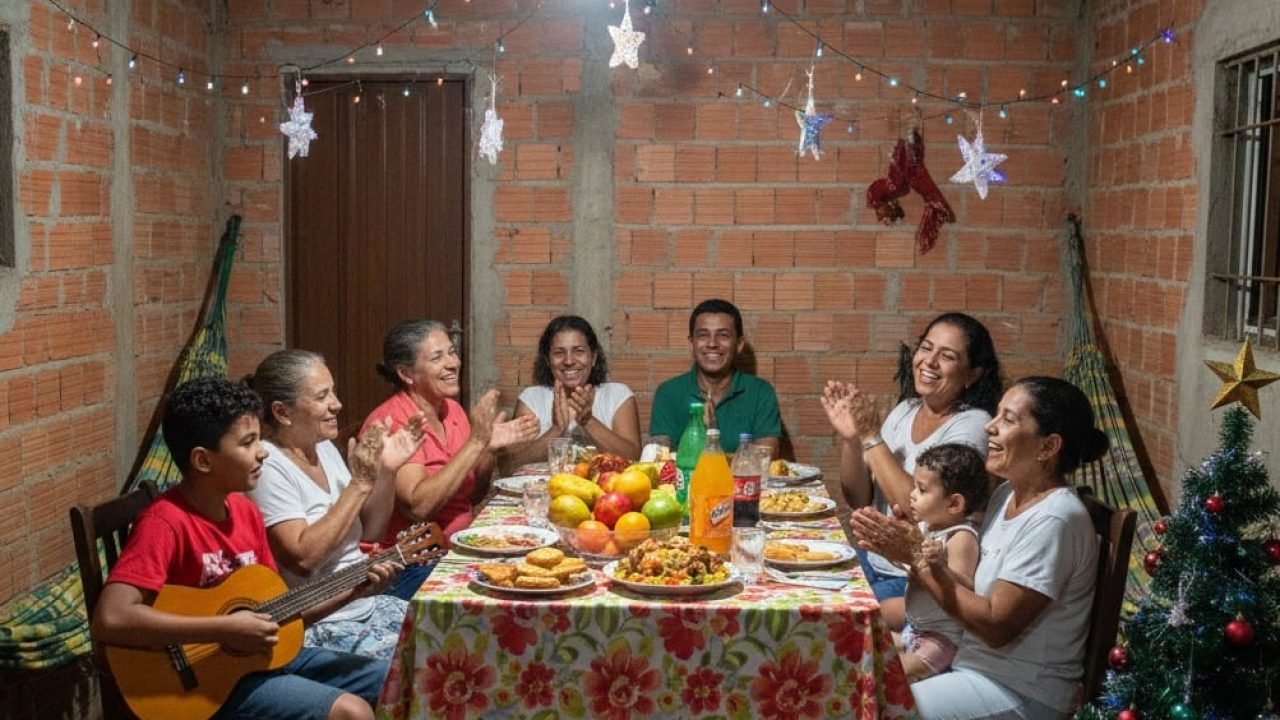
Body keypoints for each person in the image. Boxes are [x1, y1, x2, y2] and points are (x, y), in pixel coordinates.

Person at [92, 377, 397, 720]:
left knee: (398, 678)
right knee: (351, 713)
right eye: (249, 442)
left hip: (259, 662)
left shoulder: (245, 512)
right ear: (203, 461)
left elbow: (279, 617)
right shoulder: (165, 522)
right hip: (201, 686)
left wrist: (353, 592)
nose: (263, 451)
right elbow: (111, 618)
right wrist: (224, 629)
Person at [851, 376, 1109, 720]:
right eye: (996, 414)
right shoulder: (1005, 496)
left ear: (1048, 447)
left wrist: (915, 557)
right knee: (852, 676)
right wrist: (911, 548)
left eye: (1008, 419)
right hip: (971, 667)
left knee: (871, 707)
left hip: (1019, 690)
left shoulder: (1055, 519)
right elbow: (961, 577)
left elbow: (995, 626)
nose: (990, 426)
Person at [820, 311, 1001, 628]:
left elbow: (919, 511)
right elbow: (859, 498)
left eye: (946, 356)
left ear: (972, 374)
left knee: (824, 621)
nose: (929, 362)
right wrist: (852, 440)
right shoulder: (905, 410)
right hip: (874, 560)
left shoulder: (973, 426)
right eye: (926, 348)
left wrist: (871, 436)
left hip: (917, 581)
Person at [244, 349, 425, 661]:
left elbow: (370, 531)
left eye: (334, 392)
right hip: (321, 623)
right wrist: (360, 483)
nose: (337, 404)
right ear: (282, 412)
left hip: (365, 604)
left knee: (455, 640)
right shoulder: (267, 466)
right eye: (322, 396)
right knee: (427, 669)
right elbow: (304, 558)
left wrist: (387, 472)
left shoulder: (324, 447)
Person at [363, 319, 539, 599]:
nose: (452, 363)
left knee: (533, 567)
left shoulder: (453, 411)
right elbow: (419, 507)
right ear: (406, 373)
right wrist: (477, 443)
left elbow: (472, 494)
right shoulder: (396, 422)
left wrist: (488, 451)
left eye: (452, 352)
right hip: (410, 566)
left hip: (455, 552)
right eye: (437, 357)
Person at [899, 443, 988, 682]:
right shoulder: (926, 527)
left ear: (953, 504)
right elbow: (911, 565)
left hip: (941, 639)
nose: (912, 494)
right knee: (868, 644)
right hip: (915, 629)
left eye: (922, 489)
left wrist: (941, 566)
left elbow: (966, 585)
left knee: (891, 674)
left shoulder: (961, 537)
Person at [505, 315, 641, 467]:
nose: (569, 361)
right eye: (559, 353)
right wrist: (556, 430)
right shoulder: (531, 399)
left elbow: (634, 458)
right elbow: (509, 466)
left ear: (593, 357)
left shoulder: (618, 396)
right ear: (547, 360)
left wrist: (588, 421)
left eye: (579, 351)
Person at [649, 298, 781, 455]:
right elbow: (662, 457)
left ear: (739, 344)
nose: (712, 343)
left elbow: (767, 454)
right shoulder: (669, 392)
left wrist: (711, 436)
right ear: (692, 343)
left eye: (723, 335)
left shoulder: (760, 392)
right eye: (703, 335)